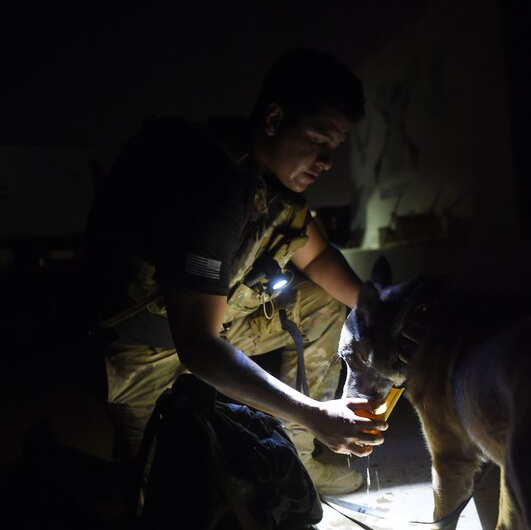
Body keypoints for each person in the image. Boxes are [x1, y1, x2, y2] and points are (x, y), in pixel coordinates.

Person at [84, 47, 387, 496]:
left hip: (209, 329)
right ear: (274, 119)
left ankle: (297, 463)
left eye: (335, 148)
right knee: (161, 509)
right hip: (146, 355)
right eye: (318, 139)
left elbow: (319, 259)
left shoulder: (273, 188)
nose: (326, 161)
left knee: (319, 302)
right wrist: (314, 414)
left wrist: (381, 312)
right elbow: (199, 348)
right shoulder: (214, 188)